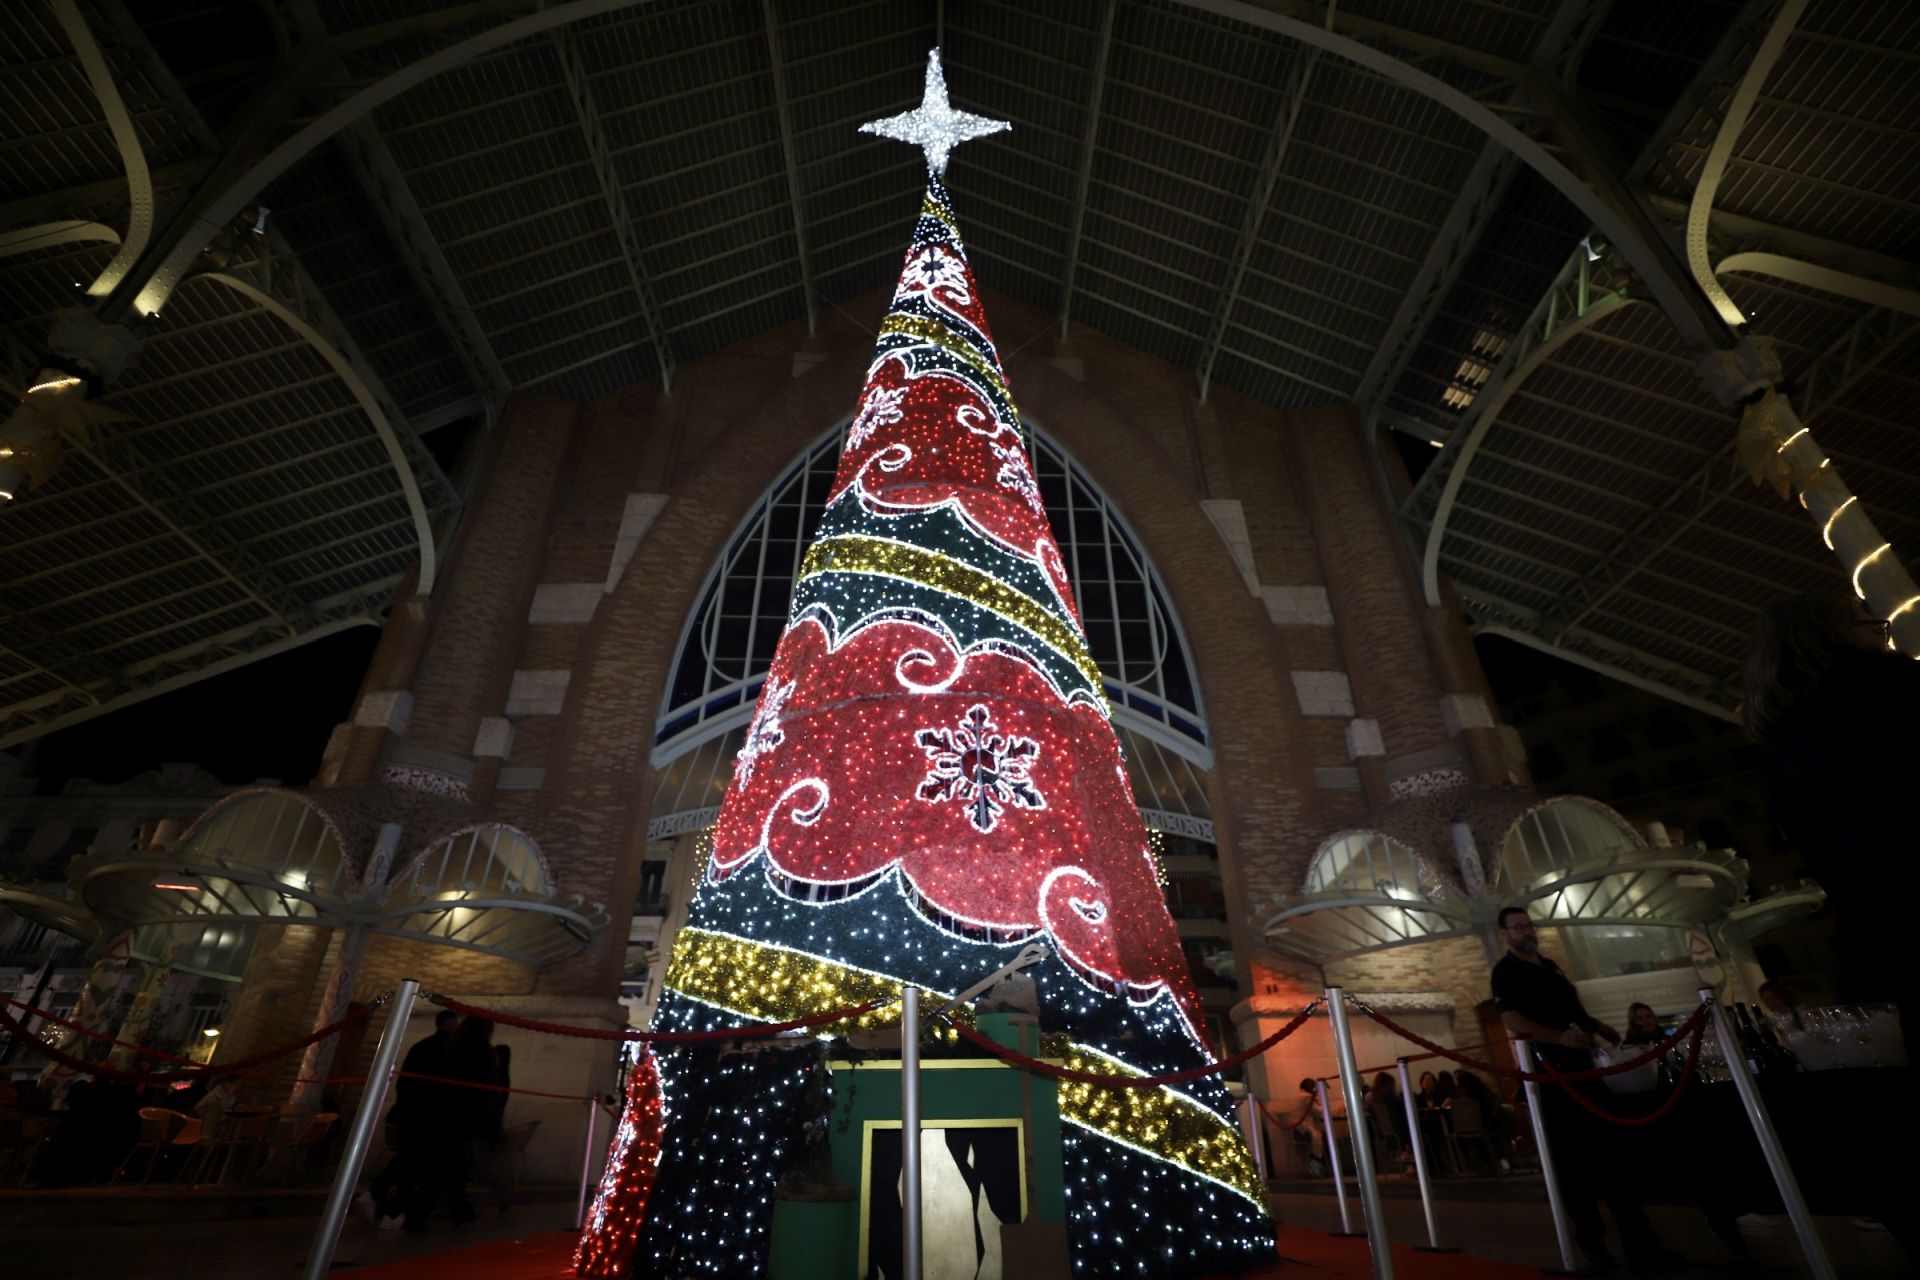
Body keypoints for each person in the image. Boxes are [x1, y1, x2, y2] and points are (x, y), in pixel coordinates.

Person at [1745, 592, 1920, 1068]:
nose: (1885, 637)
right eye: (1874, 626)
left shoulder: (1774, 749)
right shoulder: (1890, 688)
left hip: (1871, 949)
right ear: (1837, 634)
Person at [1492, 906, 1683, 1271]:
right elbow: (1512, 1019)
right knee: (1574, 1162)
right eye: (1517, 927)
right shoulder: (1505, 973)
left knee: (1614, 1155)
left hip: (1587, 1068)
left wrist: (1596, 1027)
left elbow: (1572, 1009)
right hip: (1555, 1074)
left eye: (1528, 925)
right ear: (1504, 934)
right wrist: (1558, 1038)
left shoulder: (1550, 966)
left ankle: (1641, 1241)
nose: (1525, 932)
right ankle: (1594, 1247)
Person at [363, 1009, 460, 1227]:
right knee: (415, 1163)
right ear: (448, 1023)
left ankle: (386, 1204)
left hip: (412, 1112)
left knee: (410, 1160)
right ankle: (390, 1208)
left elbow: (405, 1084)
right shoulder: (446, 1049)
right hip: (429, 1115)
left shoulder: (422, 1046)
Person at [406, 1015, 497, 1230]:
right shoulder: (482, 1052)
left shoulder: (452, 1047)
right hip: (464, 1116)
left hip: (443, 1114)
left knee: (450, 1166)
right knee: (446, 1168)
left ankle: (457, 1210)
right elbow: (485, 1089)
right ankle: (429, 1214)